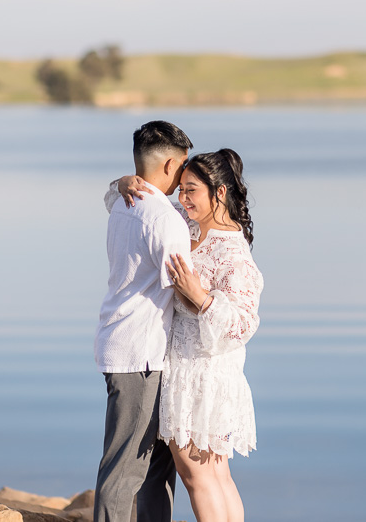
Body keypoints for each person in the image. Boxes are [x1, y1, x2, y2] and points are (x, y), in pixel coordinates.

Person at [112, 149, 263, 522]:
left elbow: (244, 325)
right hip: (184, 369)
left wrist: (199, 297)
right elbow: (138, 206)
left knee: (199, 476)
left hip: (205, 374)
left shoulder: (233, 252)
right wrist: (123, 183)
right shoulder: (188, 222)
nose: (181, 198)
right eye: (180, 189)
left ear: (220, 193)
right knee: (213, 475)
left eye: (191, 190)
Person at [93, 120, 193, 522]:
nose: (185, 176)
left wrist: (120, 182)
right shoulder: (164, 219)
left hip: (128, 344)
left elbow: (111, 194)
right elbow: (184, 289)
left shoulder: (125, 201)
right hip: (140, 355)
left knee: (157, 464)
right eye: (183, 167)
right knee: (125, 469)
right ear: (170, 165)